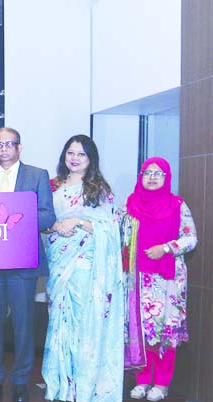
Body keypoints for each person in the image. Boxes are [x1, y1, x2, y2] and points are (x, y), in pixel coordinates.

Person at [0, 127, 56, 402]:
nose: (4, 149)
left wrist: (17, 218)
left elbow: (48, 216)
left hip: (23, 261)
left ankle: (20, 381)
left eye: (9, 144)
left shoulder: (37, 175)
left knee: (23, 325)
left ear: (19, 147)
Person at [41, 135, 124, 402]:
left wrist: (77, 221)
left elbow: (110, 228)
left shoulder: (98, 188)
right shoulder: (53, 185)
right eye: (71, 153)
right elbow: (42, 222)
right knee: (59, 321)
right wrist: (55, 226)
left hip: (85, 265)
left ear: (91, 159)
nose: (75, 158)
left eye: (81, 154)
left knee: (83, 322)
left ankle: (83, 384)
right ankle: (60, 384)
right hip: (58, 262)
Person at [121, 157, 196, 402]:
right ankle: (142, 380)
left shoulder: (177, 205)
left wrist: (165, 248)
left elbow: (190, 238)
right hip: (136, 278)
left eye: (158, 173)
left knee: (164, 332)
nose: (152, 177)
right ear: (140, 177)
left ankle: (162, 383)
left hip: (167, 281)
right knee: (139, 331)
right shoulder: (129, 205)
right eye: (147, 173)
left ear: (167, 177)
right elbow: (118, 236)